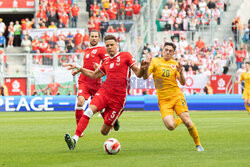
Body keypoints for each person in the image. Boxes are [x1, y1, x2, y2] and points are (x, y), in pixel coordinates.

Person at [63, 34, 146, 150]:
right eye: (107, 45)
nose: (110, 47)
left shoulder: (125, 56)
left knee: (104, 131)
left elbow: (139, 74)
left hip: (119, 99)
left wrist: (143, 68)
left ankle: (111, 119)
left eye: (112, 45)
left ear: (117, 45)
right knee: (88, 111)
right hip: (104, 92)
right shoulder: (106, 62)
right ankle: (74, 139)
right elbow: (93, 75)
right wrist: (79, 67)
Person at [142, 42, 204, 151]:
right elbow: (145, 76)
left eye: (170, 51)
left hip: (176, 96)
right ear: (162, 50)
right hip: (163, 99)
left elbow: (183, 83)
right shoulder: (155, 61)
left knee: (188, 122)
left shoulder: (175, 64)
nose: (168, 52)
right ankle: (180, 119)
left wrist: (181, 73)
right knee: (170, 126)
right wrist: (146, 68)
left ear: (173, 53)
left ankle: (198, 144)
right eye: (166, 50)